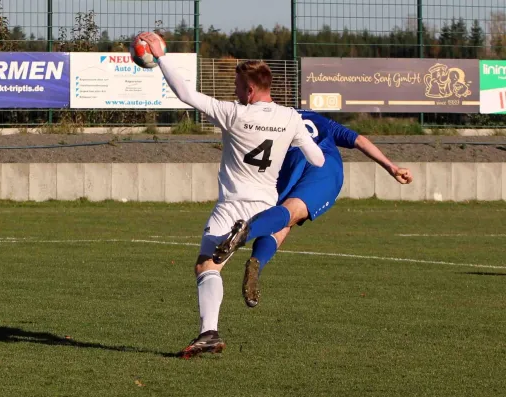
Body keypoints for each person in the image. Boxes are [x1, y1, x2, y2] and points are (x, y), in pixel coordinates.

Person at [137, 32, 325, 359]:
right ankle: (210, 330)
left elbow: (185, 93)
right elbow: (318, 159)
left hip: (231, 206)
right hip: (266, 206)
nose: (234, 92)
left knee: (206, 266)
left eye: (238, 87)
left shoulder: (234, 113)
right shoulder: (291, 118)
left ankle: (210, 330)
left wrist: (159, 57)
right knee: (232, 253)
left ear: (250, 91)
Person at [213, 110, 414, 307]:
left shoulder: (269, 119)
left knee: (283, 220)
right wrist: (392, 168)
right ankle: (252, 250)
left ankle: (252, 253)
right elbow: (358, 140)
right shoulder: (317, 118)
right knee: (289, 216)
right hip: (322, 166)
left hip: (285, 168)